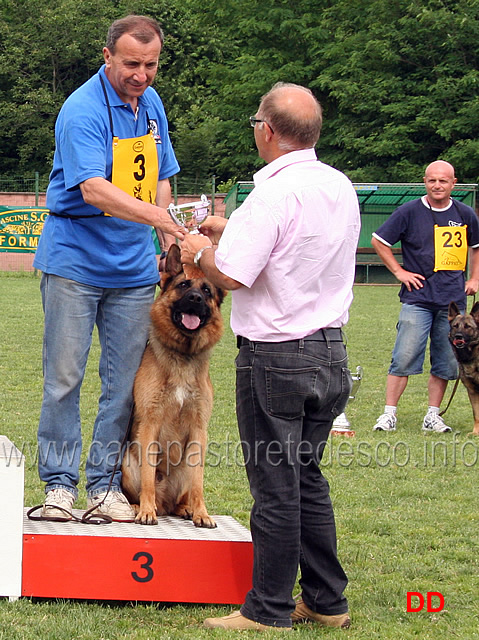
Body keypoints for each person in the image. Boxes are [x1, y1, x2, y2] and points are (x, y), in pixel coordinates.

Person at [181, 82, 360, 631]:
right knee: (307, 479)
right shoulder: (339, 186)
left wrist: (199, 250)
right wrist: (227, 231)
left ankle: (268, 608)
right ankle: (327, 601)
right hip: (330, 351)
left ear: (268, 131)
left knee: (276, 487)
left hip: (276, 356)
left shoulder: (271, 193)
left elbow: (231, 275)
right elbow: (292, 248)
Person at [33, 15, 184, 522]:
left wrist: (165, 233)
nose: (141, 75)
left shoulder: (151, 105)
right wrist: (158, 217)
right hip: (74, 260)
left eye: (151, 65)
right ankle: (58, 486)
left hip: (134, 269)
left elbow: (162, 175)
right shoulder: (82, 109)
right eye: (131, 64)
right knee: (64, 378)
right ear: (107, 57)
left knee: (123, 383)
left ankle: (104, 487)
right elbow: (93, 189)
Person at [371, 160, 479, 433]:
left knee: (445, 361)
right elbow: (379, 240)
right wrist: (399, 272)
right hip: (416, 299)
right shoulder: (408, 211)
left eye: (443, 181)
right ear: (425, 181)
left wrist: (475, 277)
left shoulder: (465, 213)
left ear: (454, 183)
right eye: (432, 180)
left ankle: (433, 415)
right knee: (404, 356)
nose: (437, 185)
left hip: (453, 302)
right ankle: (389, 414)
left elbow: (476, 247)